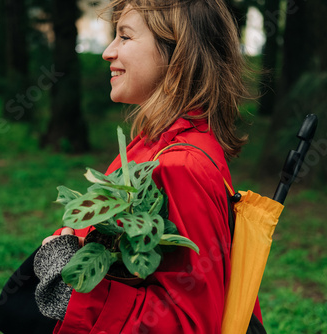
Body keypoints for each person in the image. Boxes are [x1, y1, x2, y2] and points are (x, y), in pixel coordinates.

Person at [33, 0, 263, 333]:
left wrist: (73, 286)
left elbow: (189, 324)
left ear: (178, 53)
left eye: (124, 37)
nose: (108, 52)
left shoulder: (180, 165)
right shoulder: (158, 143)